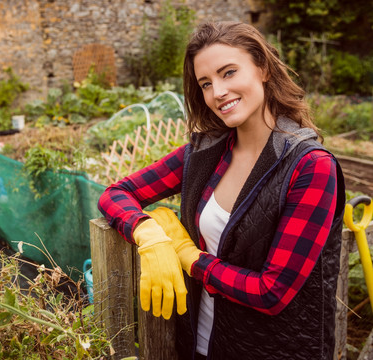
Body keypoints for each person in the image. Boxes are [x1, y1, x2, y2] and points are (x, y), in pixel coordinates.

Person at [98, 21, 346, 360]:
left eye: (228, 73)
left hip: (270, 350)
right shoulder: (204, 153)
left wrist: (191, 259)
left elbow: (271, 293)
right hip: (197, 345)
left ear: (262, 68)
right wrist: (148, 232)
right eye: (205, 83)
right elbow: (115, 194)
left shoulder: (310, 167)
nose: (217, 92)